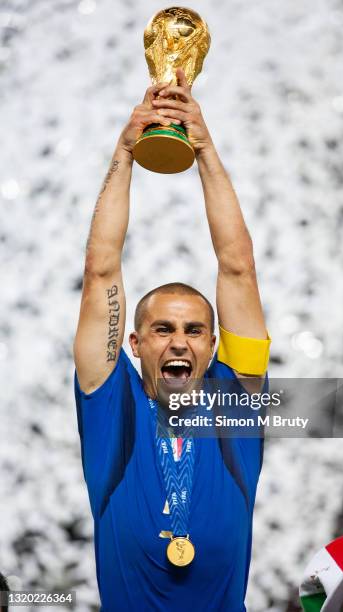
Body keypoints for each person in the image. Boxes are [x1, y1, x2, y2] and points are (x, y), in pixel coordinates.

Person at [73, 68, 270, 612]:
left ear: (214, 345)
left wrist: (203, 149)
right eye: (163, 329)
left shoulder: (238, 403)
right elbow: (101, 271)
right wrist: (126, 151)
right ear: (133, 343)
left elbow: (238, 269)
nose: (179, 342)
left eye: (193, 330)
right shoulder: (112, 405)